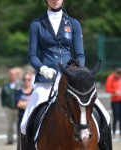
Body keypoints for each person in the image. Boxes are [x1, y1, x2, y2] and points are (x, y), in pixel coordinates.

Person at [20, 0, 111, 149]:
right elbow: (32, 56)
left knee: (105, 116)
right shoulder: (36, 25)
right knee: (24, 123)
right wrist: (43, 69)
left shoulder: (73, 23)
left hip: (71, 79)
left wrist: (77, 71)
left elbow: (80, 55)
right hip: (46, 80)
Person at [15, 72, 33, 150]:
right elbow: (18, 104)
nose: (26, 81)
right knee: (21, 141)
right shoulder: (18, 92)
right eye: (24, 79)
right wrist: (30, 103)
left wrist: (24, 103)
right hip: (21, 118)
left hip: (32, 119)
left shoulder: (35, 91)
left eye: (28, 79)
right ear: (22, 80)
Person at [0, 68, 18, 144]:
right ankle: (9, 140)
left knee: (19, 125)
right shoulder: (5, 85)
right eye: (11, 74)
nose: (12, 76)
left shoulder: (20, 84)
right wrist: (4, 104)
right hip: (8, 108)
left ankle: (19, 140)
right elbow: (2, 95)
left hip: (18, 108)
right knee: (9, 125)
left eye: (13, 74)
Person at [105, 68, 121, 136]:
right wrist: (115, 91)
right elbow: (107, 89)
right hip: (115, 101)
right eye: (118, 75)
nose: (119, 77)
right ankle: (114, 132)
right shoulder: (110, 78)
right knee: (116, 117)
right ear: (116, 73)